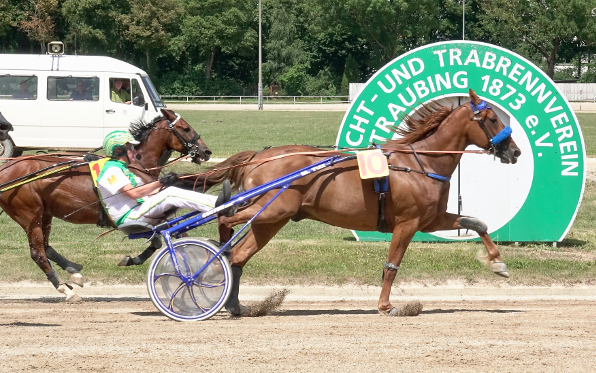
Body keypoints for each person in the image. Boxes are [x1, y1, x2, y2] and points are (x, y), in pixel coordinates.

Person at [96, 130, 234, 242]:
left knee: (171, 192)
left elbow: (146, 193)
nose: (135, 151)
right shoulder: (111, 170)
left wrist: (167, 183)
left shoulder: (122, 169)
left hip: (139, 210)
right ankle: (218, 206)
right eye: (131, 148)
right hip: (129, 216)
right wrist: (160, 182)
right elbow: (134, 194)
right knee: (171, 194)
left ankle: (193, 254)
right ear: (119, 151)